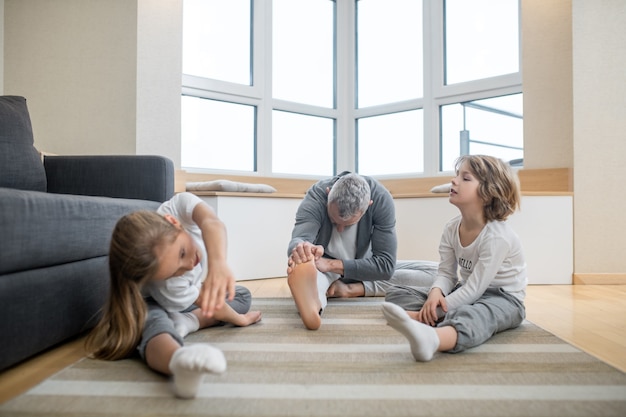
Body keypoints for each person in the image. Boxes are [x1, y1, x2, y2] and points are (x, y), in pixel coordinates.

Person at [85, 192, 262, 398]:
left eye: (182, 253)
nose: (188, 266)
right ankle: (177, 360)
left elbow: (211, 221)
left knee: (241, 296)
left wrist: (218, 262)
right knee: (154, 322)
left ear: (173, 222)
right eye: (175, 271)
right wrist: (240, 320)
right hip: (153, 303)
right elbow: (210, 303)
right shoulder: (168, 286)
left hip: (184, 301)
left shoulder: (178, 207)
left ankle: (185, 321)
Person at [382, 155, 526, 361]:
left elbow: (475, 289)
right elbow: (446, 273)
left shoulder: (497, 237)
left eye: (465, 178)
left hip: (502, 298)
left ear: (488, 193)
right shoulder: (451, 228)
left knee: (477, 316)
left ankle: (433, 337)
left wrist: (437, 309)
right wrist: (435, 293)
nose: (454, 181)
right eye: (457, 175)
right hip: (466, 290)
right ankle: (433, 316)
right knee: (397, 293)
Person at [287, 171, 438, 330]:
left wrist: (332, 264)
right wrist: (303, 249)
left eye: (348, 224)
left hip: (363, 268)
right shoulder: (316, 196)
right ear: (328, 193)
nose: (340, 229)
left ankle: (351, 289)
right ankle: (315, 305)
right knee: (312, 283)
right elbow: (298, 239)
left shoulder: (381, 199)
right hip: (321, 269)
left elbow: (385, 266)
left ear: (368, 205)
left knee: (438, 273)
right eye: (334, 220)